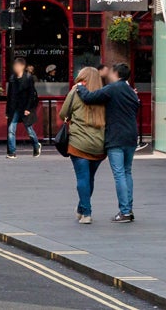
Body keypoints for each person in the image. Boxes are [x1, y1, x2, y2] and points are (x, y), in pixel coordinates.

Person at [76, 63, 139, 223]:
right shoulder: (131, 92)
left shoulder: (113, 88)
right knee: (127, 172)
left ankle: (124, 212)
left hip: (115, 138)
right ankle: (128, 209)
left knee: (119, 174)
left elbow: (89, 98)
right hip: (131, 137)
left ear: (116, 73)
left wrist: (80, 87)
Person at [60, 66, 107, 223]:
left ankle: (86, 213)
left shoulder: (75, 92)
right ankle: (81, 208)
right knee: (89, 178)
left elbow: (63, 114)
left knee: (82, 178)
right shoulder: (104, 95)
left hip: (78, 143)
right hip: (99, 144)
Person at [5, 56, 40, 158]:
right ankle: (12, 152)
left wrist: (28, 109)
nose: (16, 68)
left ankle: (36, 145)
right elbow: (9, 96)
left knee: (29, 130)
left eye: (18, 66)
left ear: (23, 66)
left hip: (25, 107)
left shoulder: (28, 78)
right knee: (11, 129)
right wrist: (7, 112)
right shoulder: (12, 79)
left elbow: (31, 95)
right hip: (14, 107)